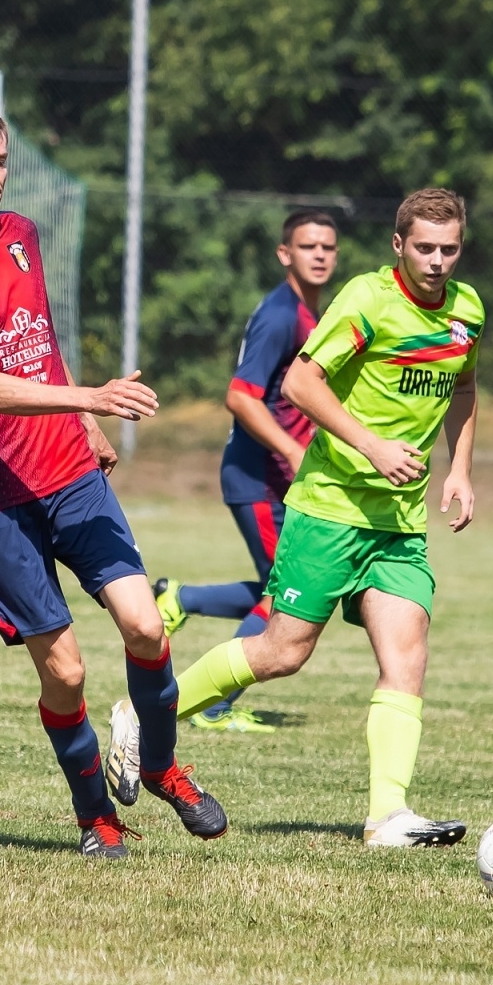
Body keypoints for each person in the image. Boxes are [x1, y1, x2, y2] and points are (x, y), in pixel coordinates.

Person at [0, 101, 226, 859]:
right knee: (69, 673)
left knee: (146, 626)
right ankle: (96, 818)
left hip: (68, 470)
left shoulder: (21, 235)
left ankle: (161, 766)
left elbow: (36, 340)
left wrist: (83, 423)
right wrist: (93, 398)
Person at [110, 188, 482, 848]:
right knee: (284, 652)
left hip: (397, 524)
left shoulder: (467, 310)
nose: (437, 261)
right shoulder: (368, 300)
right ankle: (142, 718)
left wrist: (458, 469)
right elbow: (300, 385)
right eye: (424, 247)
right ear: (398, 246)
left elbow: (464, 385)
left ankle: (387, 817)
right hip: (330, 510)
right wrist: (370, 445)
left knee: (408, 658)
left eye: (449, 249)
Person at [152, 210, 339, 733]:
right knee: (285, 595)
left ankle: (180, 598)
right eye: (308, 246)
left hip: (276, 479)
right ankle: (212, 706)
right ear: (286, 254)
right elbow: (241, 396)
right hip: (258, 477)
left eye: (328, 247)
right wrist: (294, 451)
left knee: (274, 585)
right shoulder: (282, 314)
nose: (320, 255)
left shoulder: (308, 312)